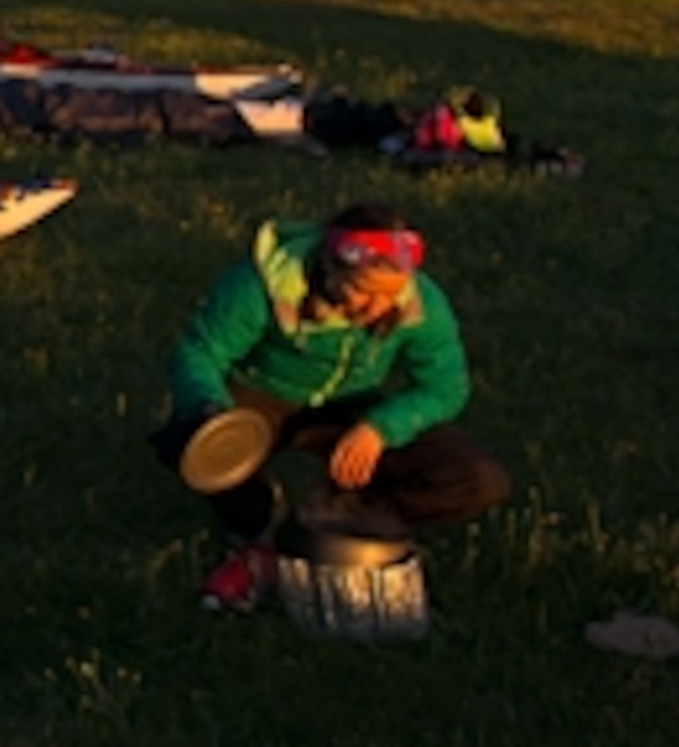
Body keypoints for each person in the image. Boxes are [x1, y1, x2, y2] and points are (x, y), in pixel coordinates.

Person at [150, 203, 512, 611]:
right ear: (331, 270)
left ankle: (344, 519)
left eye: (391, 294)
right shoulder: (263, 284)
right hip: (262, 396)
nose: (378, 307)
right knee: (189, 443)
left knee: (480, 480)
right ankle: (256, 527)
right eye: (363, 291)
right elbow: (199, 352)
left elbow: (446, 387)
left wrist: (382, 428)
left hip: (353, 405)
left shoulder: (419, 303)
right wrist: (210, 410)